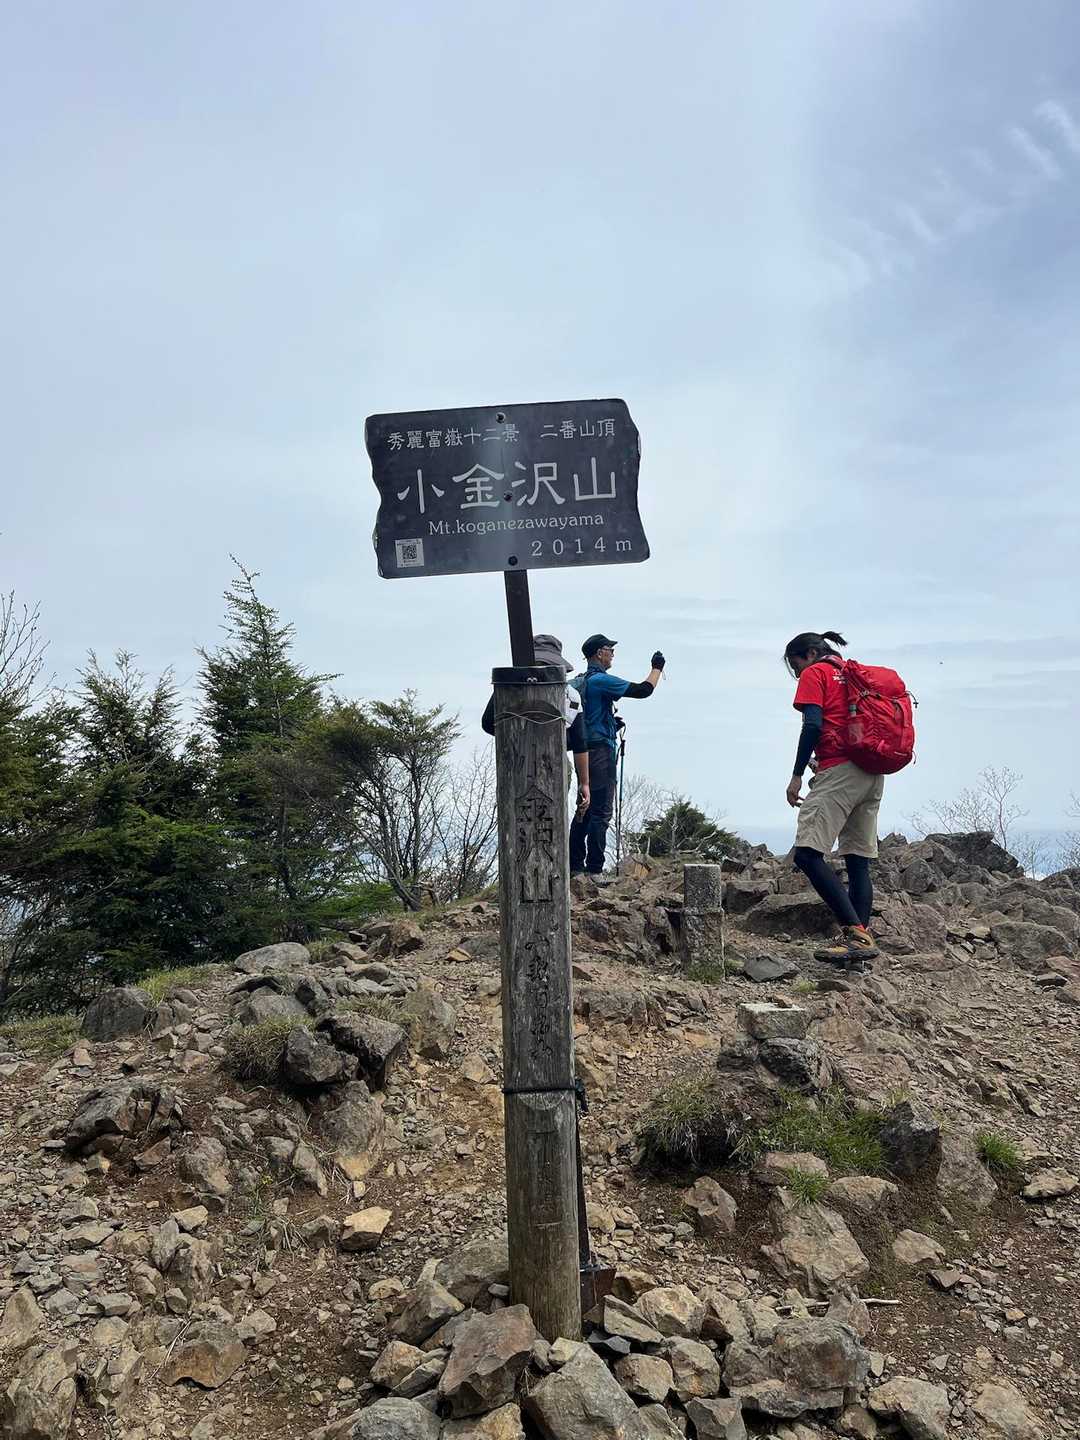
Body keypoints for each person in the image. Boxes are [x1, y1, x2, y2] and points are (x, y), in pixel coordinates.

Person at [784, 630, 882, 969]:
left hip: (839, 770)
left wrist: (797, 774)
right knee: (857, 860)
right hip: (872, 771)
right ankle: (858, 950)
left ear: (810, 654)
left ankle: (855, 934)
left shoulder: (817, 673)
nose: (797, 673)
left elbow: (812, 725)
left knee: (807, 854)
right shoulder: (854, 673)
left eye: (795, 665)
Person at [569, 634, 664, 876]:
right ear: (599, 653)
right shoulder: (601, 680)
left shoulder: (581, 682)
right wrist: (657, 668)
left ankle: (574, 866)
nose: (613, 654)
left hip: (583, 751)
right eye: (610, 649)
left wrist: (611, 723)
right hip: (601, 752)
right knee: (601, 812)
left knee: (584, 808)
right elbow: (643, 690)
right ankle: (594, 870)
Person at [482, 633, 590, 818]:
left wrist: (515, 735)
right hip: (554, 759)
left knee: (516, 811)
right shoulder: (570, 695)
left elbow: (488, 723)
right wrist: (584, 783)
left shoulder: (507, 686)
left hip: (515, 757)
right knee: (552, 813)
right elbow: (580, 743)